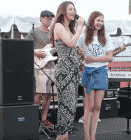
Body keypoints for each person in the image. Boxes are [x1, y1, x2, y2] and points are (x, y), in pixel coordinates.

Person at [49, 1, 85, 140]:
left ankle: (64, 136)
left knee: (70, 106)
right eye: (70, 9)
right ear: (63, 12)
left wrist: (78, 53)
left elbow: (71, 46)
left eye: (74, 9)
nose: (73, 11)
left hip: (73, 70)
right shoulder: (58, 26)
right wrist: (80, 26)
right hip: (64, 71)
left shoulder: (69, 30)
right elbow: (70, 43)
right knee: (66, 105)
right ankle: (61, 136)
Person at [76, 11, 115, 140]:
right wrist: (82, 56)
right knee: (89, 107)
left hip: (102, 72)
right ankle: (87, 137)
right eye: (98, 20)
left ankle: (93, 137)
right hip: (88, 72)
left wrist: (94, 58)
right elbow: (79, 55)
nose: (100, 23)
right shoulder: (82, 37)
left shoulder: (106, 36)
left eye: (102, 21)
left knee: (98, 106)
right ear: (92, 20)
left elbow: (110, 57)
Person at [25, 10, 58, 127]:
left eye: (50, 19)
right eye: (46, 18)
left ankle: (44, 119)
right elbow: (25, 46)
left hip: (51, 66)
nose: (49, 20)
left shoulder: (52, 33)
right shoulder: (34, 32)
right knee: (39, 94)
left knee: (49, 95)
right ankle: (33, 118)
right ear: (41, 18)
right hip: (39, 66)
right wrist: (38, 53)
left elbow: (53, 49)